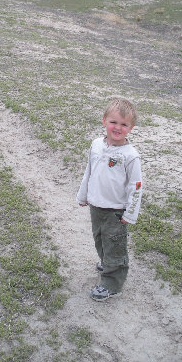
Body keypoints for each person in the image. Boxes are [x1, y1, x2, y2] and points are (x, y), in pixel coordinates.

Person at [76, 97, 142, 301]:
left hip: (116, 211)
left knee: (115, 245)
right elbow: (89, 171)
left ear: (131, 128)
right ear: (104, 120)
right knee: (100, 240)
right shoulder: (96, 145)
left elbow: (136, 187)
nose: (117, 127)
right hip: (96, 206)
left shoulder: (130, 155)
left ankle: (112, 284)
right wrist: (83, 194)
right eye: (113, 122)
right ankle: (106, 262)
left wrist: (130, 214)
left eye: (124, 124)